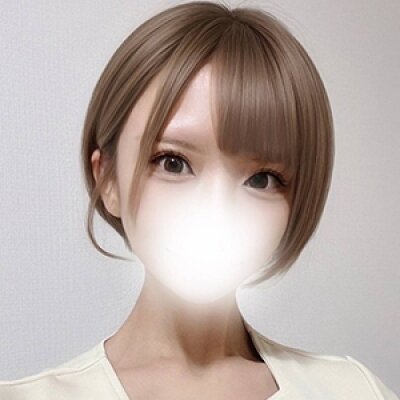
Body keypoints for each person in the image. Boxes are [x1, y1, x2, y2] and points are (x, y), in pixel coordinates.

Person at [0, 1, 398, 399]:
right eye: (172, 163)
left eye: (262, 179)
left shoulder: (354, 391)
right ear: (107, 179)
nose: (216, 211)